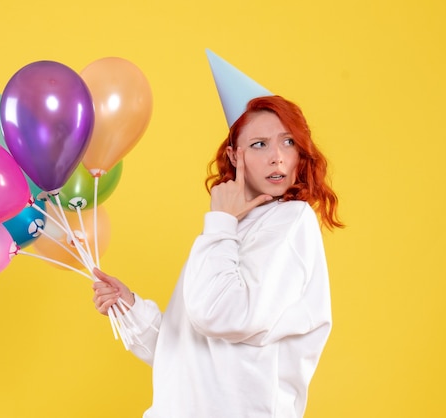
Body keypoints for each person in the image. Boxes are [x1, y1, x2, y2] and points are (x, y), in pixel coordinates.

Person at [92, 93, 343, 417]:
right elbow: (185, 355)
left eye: (289, 142)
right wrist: (131, 310)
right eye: (259, 144)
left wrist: (221, 222)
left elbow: (224, 316)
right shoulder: (225, 231)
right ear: (234, 156)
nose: (277, 157)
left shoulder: (291, 220)